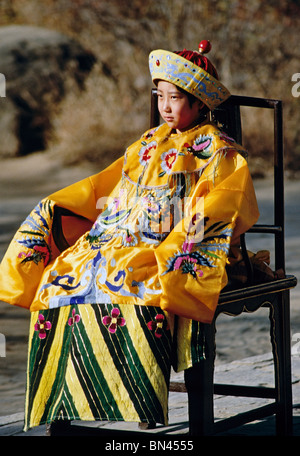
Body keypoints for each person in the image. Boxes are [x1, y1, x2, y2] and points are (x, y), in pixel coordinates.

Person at [0, 41, 259, 432]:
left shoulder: (219, 153)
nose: (166, 107)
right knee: (62, 278)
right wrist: (55, 207)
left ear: (200, 103)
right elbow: (101, 188)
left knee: (138, 280)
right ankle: (63, 405)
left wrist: (173, 248)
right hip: (120, 238)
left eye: (176, 98)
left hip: (173, 246)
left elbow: (220, 208)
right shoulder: (145, 144)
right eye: (161, 97)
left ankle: (142, 403)